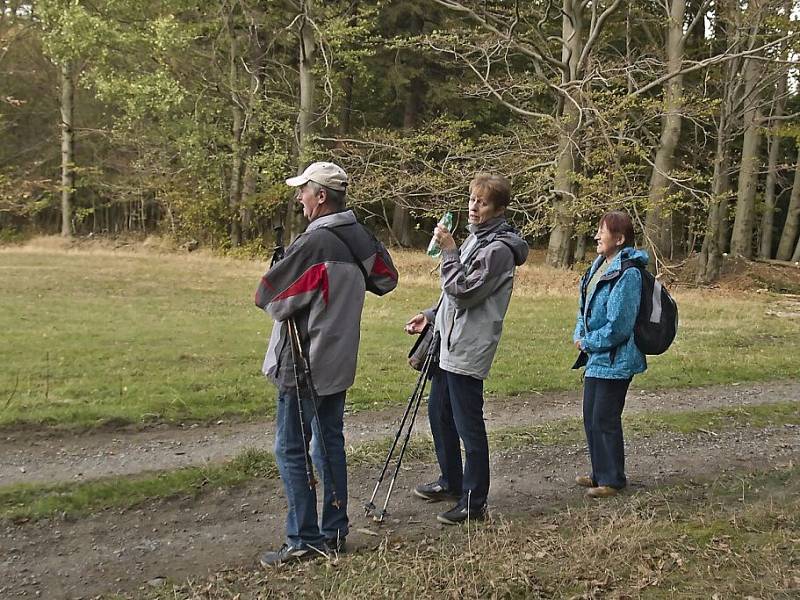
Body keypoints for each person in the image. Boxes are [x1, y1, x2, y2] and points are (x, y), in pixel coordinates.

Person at [254, 161, 398, 566]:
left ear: (321, 197)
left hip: (303, 362)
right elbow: (386, 279)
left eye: (303, 190)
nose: (298, 197)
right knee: (330, 443)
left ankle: (303, 539)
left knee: (291, 449)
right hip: (338, 361)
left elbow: (269, 298)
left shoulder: (314, 244)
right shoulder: (357, 237)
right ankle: (334, 532)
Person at [405, 173, 528, 524]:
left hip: (468, 347)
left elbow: (463, 291)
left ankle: (475, 502)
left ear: (500, 209)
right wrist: (430, 316)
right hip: (447, 340)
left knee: (467, 424)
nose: (474, 207)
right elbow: (450, 295)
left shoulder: (499, 251)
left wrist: (447, 250)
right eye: (472, 200)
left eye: (483, 202)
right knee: (439, 414)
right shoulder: (476, 240)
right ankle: (451, 481)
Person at [572, 210, 648, 498]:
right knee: (591, 416)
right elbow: (585, 306)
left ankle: (613, 480)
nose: (596, 236)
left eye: (602, 232)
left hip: (617, 359)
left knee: (605, 417)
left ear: (619, 238)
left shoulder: (628, 274)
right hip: (597, 356)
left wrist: (588, 342)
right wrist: (580, 334)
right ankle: (599, 473)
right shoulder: (600, 266)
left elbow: (619, 325)